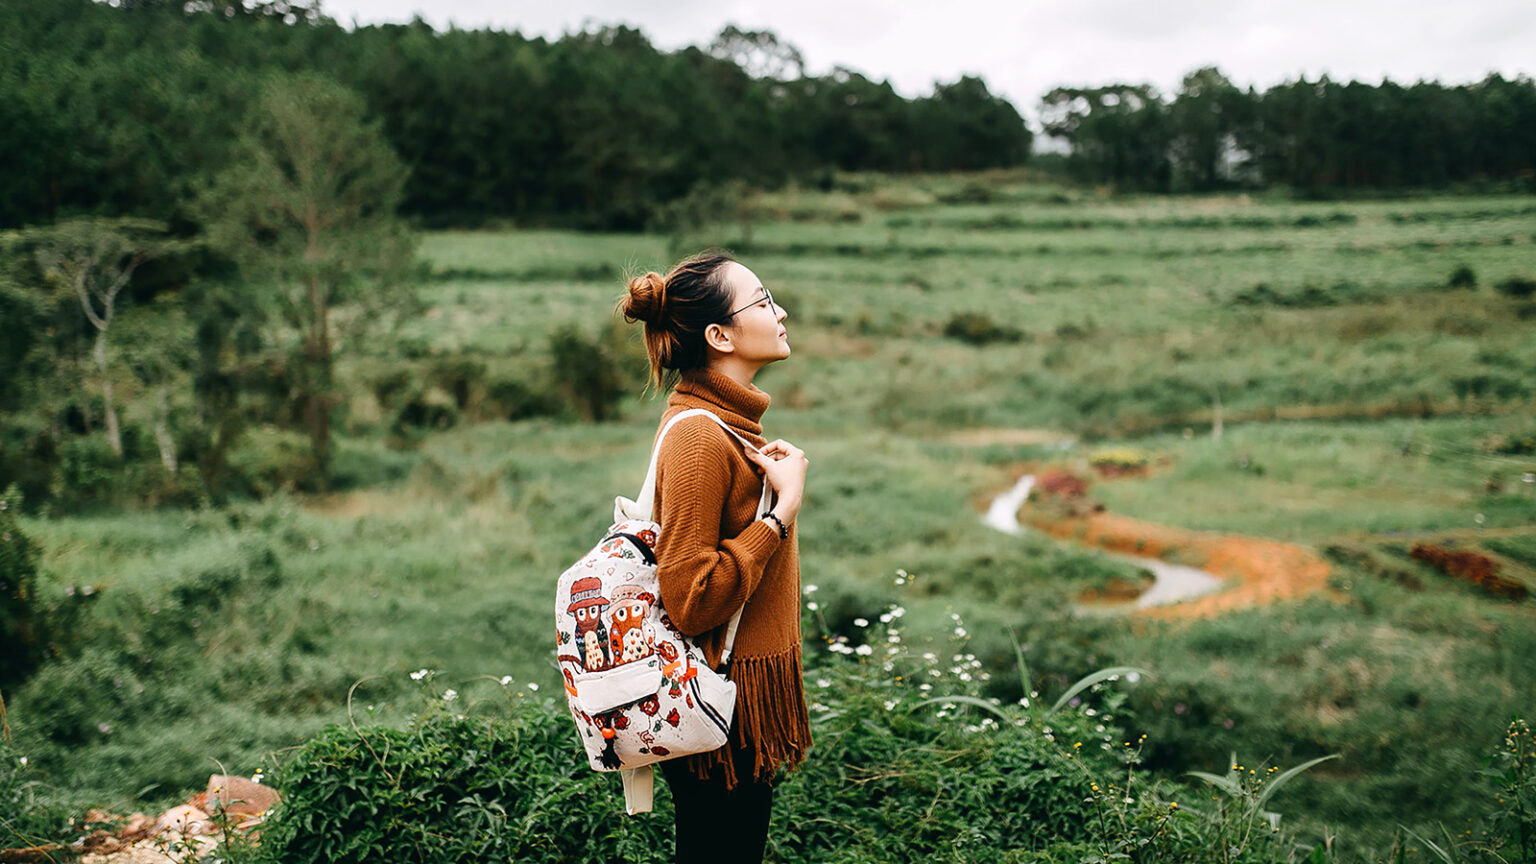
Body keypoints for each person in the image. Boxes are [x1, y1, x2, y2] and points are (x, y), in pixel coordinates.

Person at [618, 252, 811, 864]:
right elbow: (691, 598)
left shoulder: (729, 426)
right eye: (763, 301)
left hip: (735, 698)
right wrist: (780, 515)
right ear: (720, 336)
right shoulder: (700, 437)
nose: (781, 312)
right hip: (718, 697)